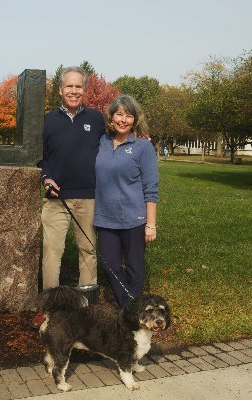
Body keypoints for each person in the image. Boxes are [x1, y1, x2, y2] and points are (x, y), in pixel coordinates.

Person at [32, 66, 105, 327]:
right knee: (52, 252)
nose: (74, 91)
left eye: (78, 87)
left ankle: (88, 309)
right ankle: (50, 309)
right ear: (60, 89)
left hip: (89, 197)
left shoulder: (97, 119)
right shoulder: (48, 120)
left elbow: (112, 147)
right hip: (57, 198)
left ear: (85, 90)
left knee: (88, 250)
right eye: (69, 86)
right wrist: (46, 177)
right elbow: (42, 157)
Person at [94, 94, 159, 308]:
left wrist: (151, 224)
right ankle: (131, 308)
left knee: (134, 268)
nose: (123, 120)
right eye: (119, 114)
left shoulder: (143, 147)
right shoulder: (101, 142)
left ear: (135, 120)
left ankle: (127, 311)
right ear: (111, 117)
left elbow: (151, 189)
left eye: (129, 115)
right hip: (105, 219)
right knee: (110, 266)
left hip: (135, 219)